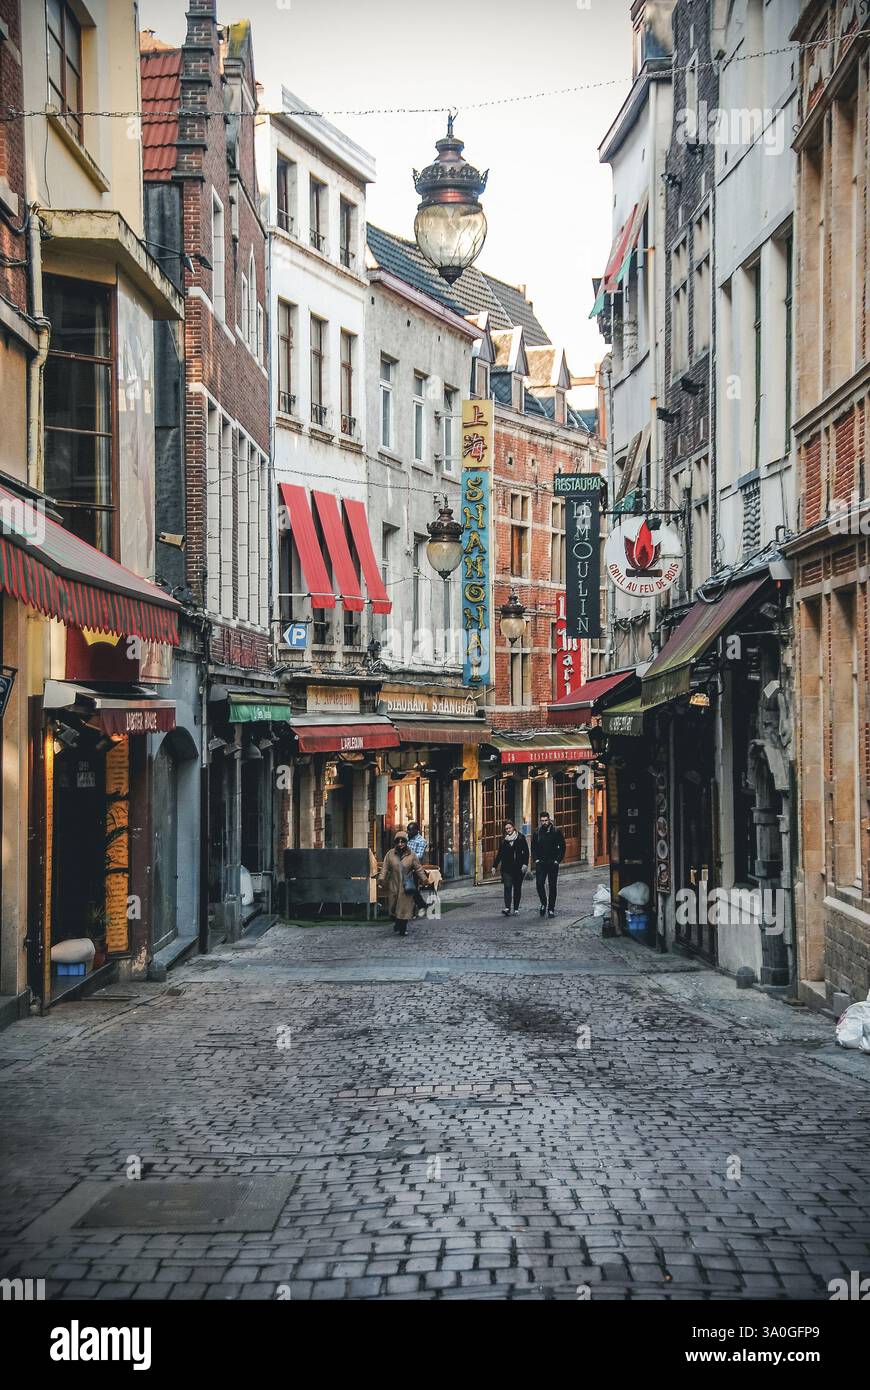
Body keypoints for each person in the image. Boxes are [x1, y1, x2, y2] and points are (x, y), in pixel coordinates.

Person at [378, 833, 429, 937]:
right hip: (394, 884)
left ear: (406, 842)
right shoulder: (390, 854)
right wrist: (381, 878)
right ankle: (397, 923)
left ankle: (403, 928)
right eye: (398, 841)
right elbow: (385, 868)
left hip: (406, 885)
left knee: (404, 908)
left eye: (402, 841)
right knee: (393, 907)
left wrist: (424, 879)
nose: (400, 844)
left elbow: (418, 868)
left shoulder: (412, 855)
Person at [531, 811, 566, 917]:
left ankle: (551, 908)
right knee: (539, 884)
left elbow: (562, 847)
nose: (544, 823)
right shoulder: (537, 832)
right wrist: (536, 859)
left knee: (552, 886)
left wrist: (557, 860)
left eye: (545, 820)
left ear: (549, 820)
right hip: (541, 863)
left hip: (552, 862)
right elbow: (533, 847)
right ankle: (543, 903)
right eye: (542, 821)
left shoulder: (556, 831)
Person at [493, 820, 530, 916]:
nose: (508, 830)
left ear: (513, 827)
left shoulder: (520, 837)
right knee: (507, 887)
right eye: (506, 829)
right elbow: (499, 854)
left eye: (509, 828)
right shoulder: (504, 840)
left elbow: (526, 852)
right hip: (506, 868)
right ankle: (507, 907)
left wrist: (525, 864)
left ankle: (516, 908)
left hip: (518, 868)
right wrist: (494, 866)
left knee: (517, 888)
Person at [405, 822, 429, 914]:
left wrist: (408, 856)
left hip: (413, 868)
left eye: (410, 830)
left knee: (412, 888)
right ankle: (421, 905)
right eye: (407, 830)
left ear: (416, 831)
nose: (408, 832)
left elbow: (419, 855)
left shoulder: (421, 841)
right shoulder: (406, 838)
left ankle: (419, 905)